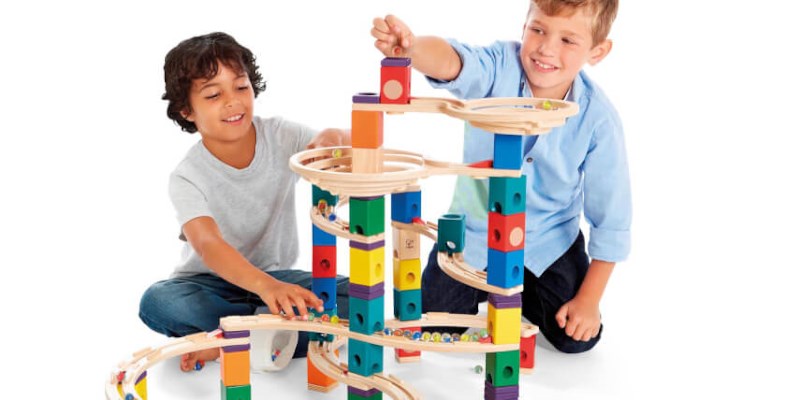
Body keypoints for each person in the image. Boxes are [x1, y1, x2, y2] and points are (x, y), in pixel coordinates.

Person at [371, 0, 630, 353]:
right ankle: (494, 290)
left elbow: (611, 217)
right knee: (432, 322)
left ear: (597, 51)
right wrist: (412, 49)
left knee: (574, 338)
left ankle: (521, 294)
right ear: (524, 26)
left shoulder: (599, 119)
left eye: (568, 40)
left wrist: (589, 300)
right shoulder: (499, 66)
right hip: (473, 236)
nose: (546, 48)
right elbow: (454, 61)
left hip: (548, 242)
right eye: (538, 30)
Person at [138, 32, 351, 371]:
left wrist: (334, 139)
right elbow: (208, 244)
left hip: (277, 278)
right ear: (187, 110)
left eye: (240, 86)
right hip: (210, 284)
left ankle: (230, 341)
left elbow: (339, 146)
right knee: (159, 302)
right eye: (213, 94)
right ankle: (265, 336)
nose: (233, 101)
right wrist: (265, 287)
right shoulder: (187, 176)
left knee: (357, 298)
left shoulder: (282, 135)